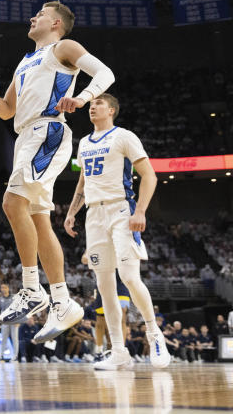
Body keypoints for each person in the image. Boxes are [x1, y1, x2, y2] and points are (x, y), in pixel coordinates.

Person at [0, 1, 116, 342]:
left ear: (55, 23)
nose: (33, 16)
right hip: (26, 135)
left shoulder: (63, 47)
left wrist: (81, 99)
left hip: (48, 131)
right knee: (37, 218)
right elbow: (7, 111)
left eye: (40, 13)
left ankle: (30, 288)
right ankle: (63, 301)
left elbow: (105, 74)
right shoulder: (25, 60)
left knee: (11, 203)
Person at [64, 93, 170, 370]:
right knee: (104, 286)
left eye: (98, 103)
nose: (92, 107)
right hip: (94, 215)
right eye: (91, 104)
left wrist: (140, 212)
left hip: (121, 210)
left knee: (129, 277)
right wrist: (72, 212)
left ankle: (154, 334)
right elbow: (84, 180)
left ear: (111, 110)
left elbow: (150, 175)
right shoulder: (85, 143)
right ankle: (119, 351)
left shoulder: (124, 136)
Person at [0, 284, 19, 361]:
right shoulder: (0, 299)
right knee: (4, 338)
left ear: (8, 288)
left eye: (4, 287)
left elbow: (19, 309)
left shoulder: (14, 297)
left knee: (14, 338)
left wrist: (18, 320)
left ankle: (15, 356)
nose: (3, 289)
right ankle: (1, 356)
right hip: (4, 320)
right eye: (1, 288)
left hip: (13, 319)